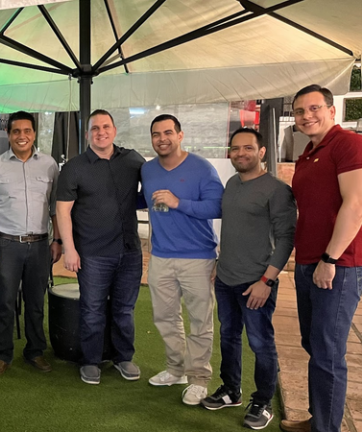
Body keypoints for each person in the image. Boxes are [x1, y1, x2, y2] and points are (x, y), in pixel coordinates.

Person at [200, 128, 295, 430]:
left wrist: (267, 281)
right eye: (235, 148)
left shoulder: (277, 190)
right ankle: (231, 390)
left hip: (256, 282)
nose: (241, 153)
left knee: (260, 343)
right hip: (226, 278)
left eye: (248, 148)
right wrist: (220, 262)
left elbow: (286, 239)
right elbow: (234, 229)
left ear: (262, 152)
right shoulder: (232, 183)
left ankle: (263, 401)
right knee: (228, 336)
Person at [280, 85, 362, 432]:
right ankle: (319, 420)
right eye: (300, 111)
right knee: (313, 343)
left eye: (314, 108)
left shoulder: (348, 144)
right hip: (309, 261)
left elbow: (355, 205)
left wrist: (330, 258)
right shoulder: (309, 152)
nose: (306, 116)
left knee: (327, 351)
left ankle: (326, 428)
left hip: (337, 264)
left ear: (331, 110)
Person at [56, 109, 146, 385]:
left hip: (129, 251)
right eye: (95, 128)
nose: (101, 132)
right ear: (87, 134)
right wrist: (69, 249)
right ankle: (91, 361)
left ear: (114, 131)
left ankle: (123, 357)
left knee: (124, 310)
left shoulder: (133, 160)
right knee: (92, 310)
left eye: (106, 127)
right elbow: (62, 211)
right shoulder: (74, 167)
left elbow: (151, 189)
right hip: (92, 253)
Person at [141, 114, 224, 405]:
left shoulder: (201, 168)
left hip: (198, 258)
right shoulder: (147, 169)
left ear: (180, 135)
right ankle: (176, 369)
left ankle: (198, 378)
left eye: (168, 132)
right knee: (165, 317)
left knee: (200, 321)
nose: (162, 139)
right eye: (156, 134)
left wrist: (178, 203)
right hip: (161, 256)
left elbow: (218, 206)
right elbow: (142, 199)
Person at [0, 110, 62, 376]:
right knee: (3, 302)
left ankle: (35, 351)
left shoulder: (49, 165)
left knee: (35, 302)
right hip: (6, 244)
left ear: (34, 134)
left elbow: (55, 207)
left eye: (27, 131)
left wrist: (57, 240)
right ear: (8, 134)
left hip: (39, 245)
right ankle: (3, 354)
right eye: (16, 131)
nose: (21, 136)